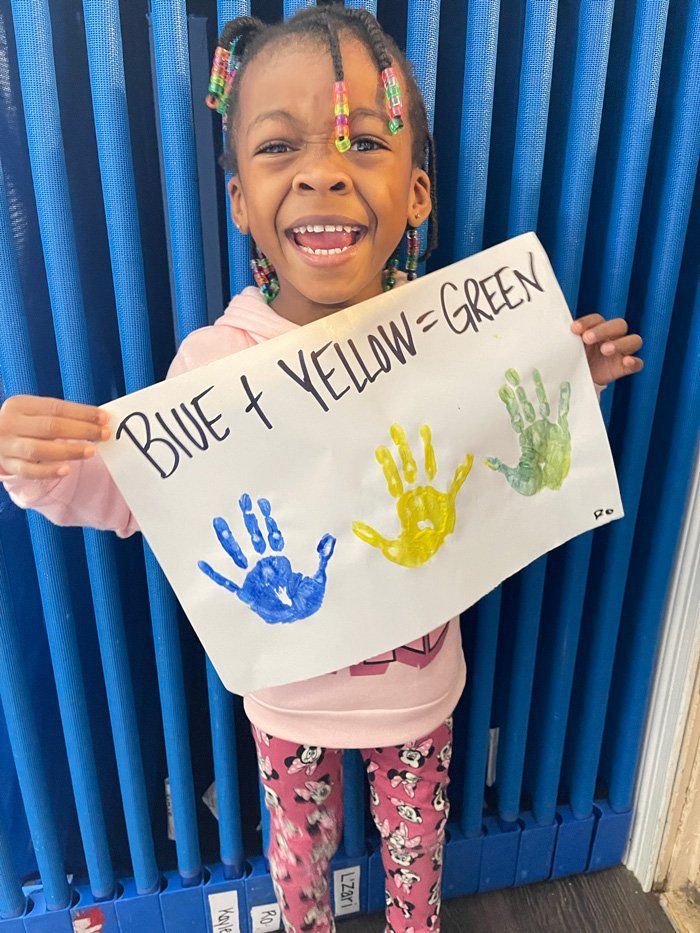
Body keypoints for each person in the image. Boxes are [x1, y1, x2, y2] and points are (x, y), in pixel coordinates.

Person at [0, 6, 643, 932]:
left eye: (366, 141)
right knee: (298, 864)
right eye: (277, 147)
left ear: (417, 193)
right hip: (287, 695)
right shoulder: (210, 368)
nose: (323, 169)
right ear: (239, 201)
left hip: (423, 686)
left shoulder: (455, 336)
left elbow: (510, 453)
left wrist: (562, 378)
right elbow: (122, 494)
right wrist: (39, 463)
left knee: (417, 864)